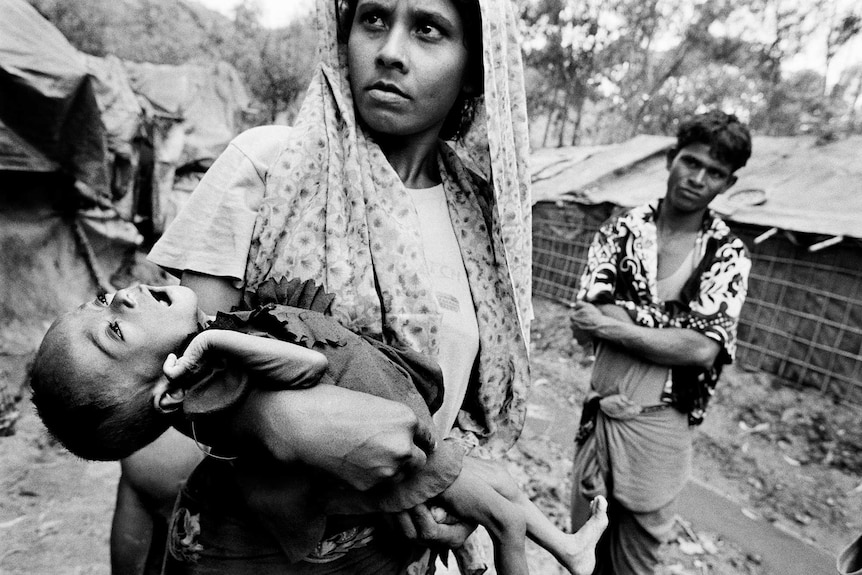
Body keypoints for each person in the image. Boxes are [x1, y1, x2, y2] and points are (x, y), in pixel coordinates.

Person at [113, 0, 558, 572]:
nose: (390, 51)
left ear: (476, 65)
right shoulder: (270, 167)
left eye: (428, 29)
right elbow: (184, 379)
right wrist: (294, 426)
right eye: (373, 19)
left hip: (394, 555)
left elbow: (465, 406)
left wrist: (444, 479)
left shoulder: (481, 217)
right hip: (249, 550)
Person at [30, 280, 609, 575]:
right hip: (400, 447)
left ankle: (570, 550)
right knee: (503, 509)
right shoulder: (220, 384)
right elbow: (310, 371)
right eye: (114, 331)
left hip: (399, 434)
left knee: (498, 496)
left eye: (102, 300)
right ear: (165, 391)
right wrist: (218, 341)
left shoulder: (215, 374)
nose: (122, 300)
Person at [568, 110, 753, 574]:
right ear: (671, 158)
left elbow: (702, 350)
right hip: (601, 412)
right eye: (691, 162)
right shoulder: (621, 230)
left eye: (714, 173)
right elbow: (585, 315)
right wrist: (674, 329)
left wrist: (616, 324)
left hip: (660, 427)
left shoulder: (726, 254)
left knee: (636, 562)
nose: (698, 178)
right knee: (580, 553)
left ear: (726, 184)